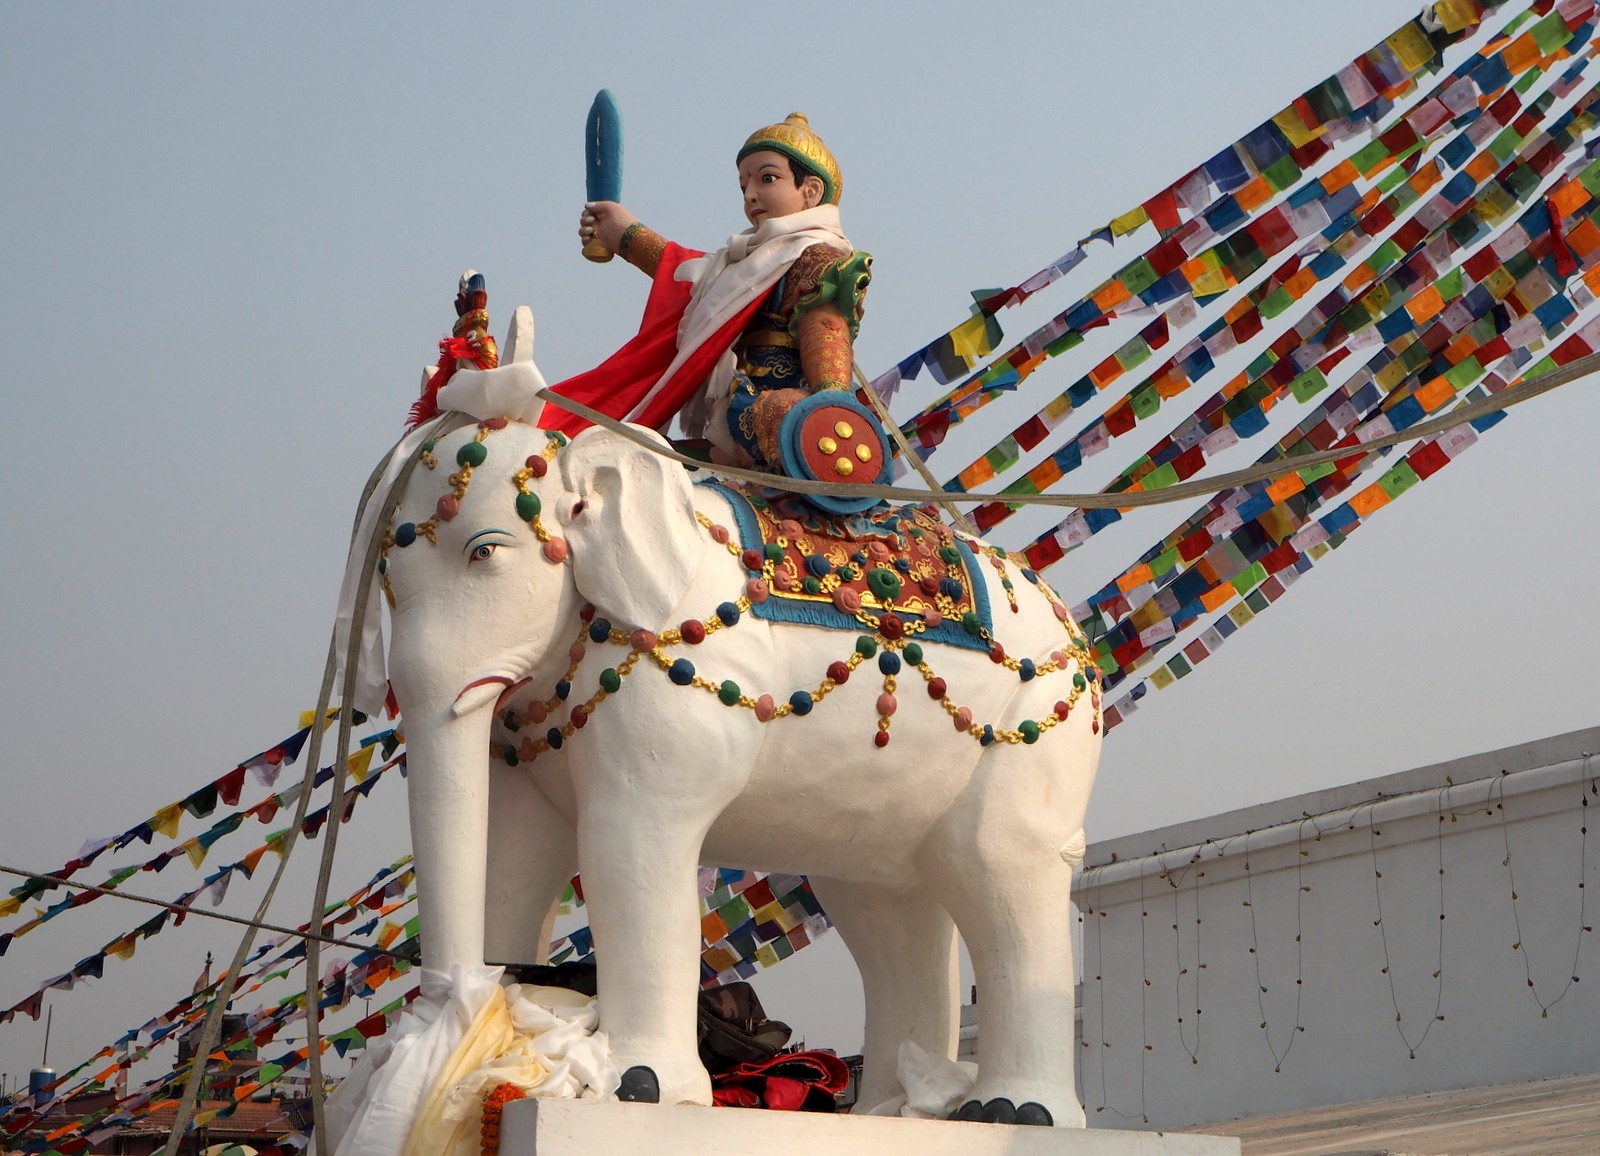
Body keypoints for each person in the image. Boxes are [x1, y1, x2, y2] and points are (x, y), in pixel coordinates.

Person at [554, 113, 873, 470]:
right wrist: (624, 234)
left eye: (767, 179)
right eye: (743, 186)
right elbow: (691, 275)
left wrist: (825, 406)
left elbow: (828, 354)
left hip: (781, 428)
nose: (751, 195)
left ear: (811, 191)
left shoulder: (818, 258)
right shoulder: (740, 265)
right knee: (629, 457)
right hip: (728, 426)